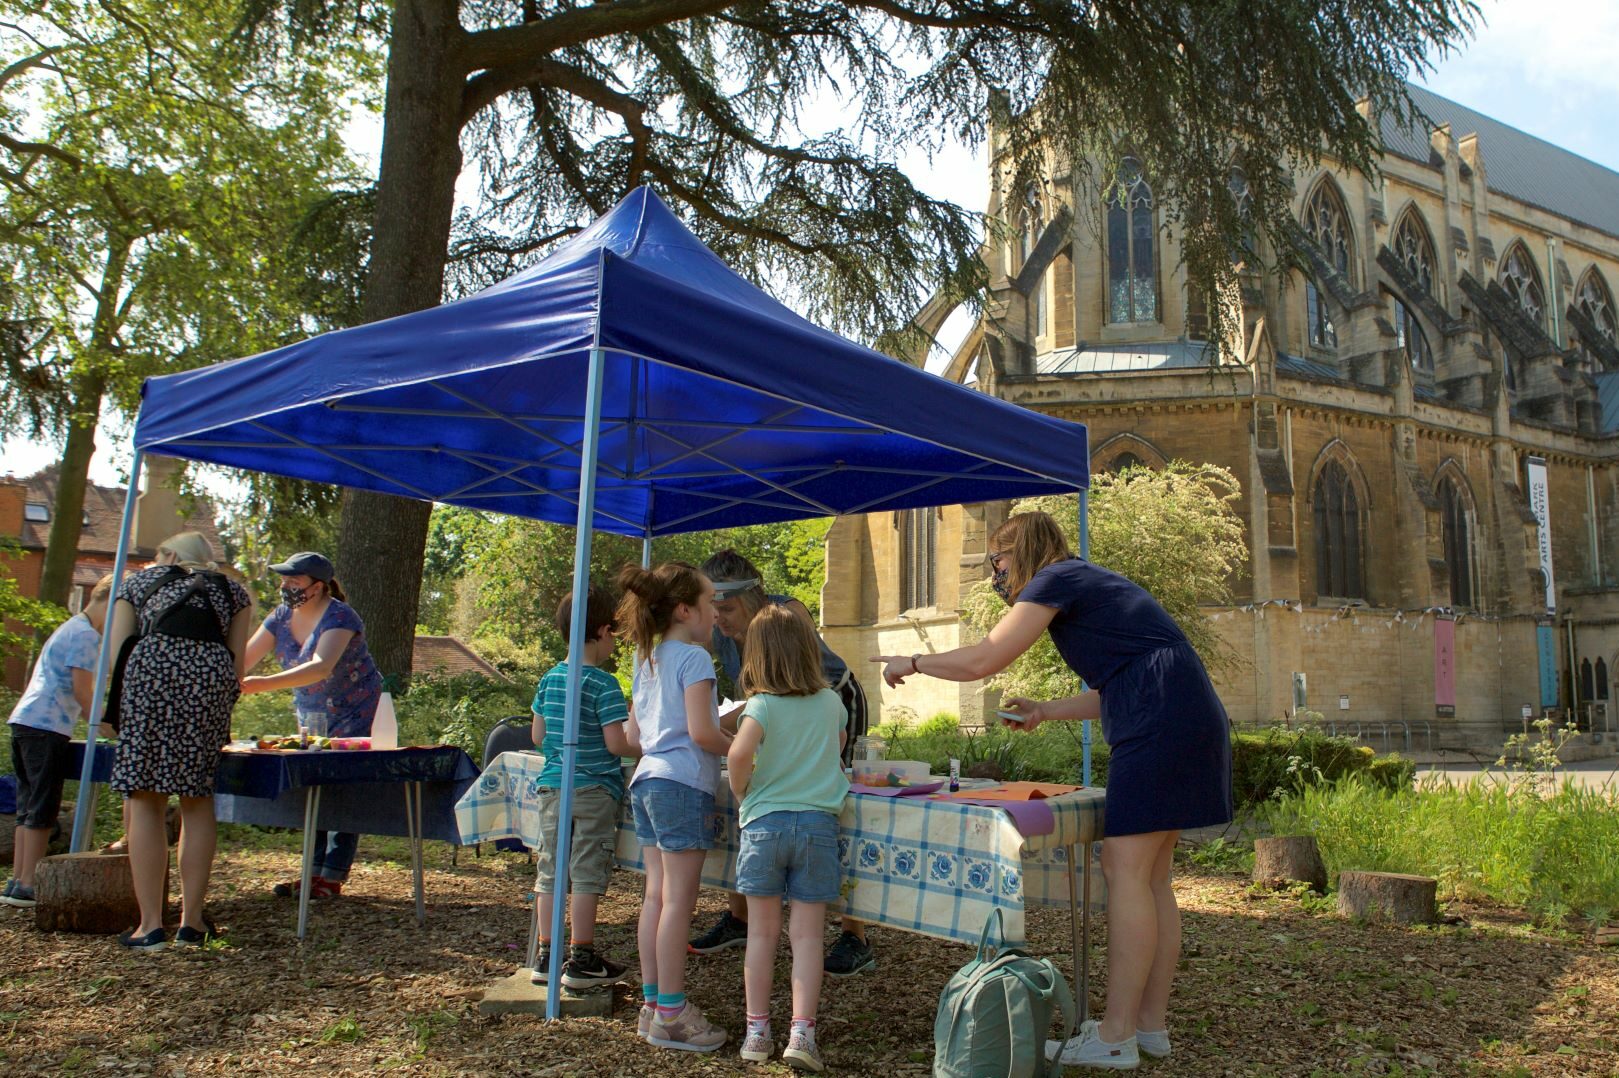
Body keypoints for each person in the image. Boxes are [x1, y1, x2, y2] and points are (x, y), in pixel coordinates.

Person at [873, 510, 1233, 1071]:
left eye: (998, 562)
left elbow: (985, 658)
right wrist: (1045, 710)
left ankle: (1114, 1036)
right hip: (1184, 711)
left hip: (1158, 723)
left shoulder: (1055, 578)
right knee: (1151, 878)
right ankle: (1147, 1025)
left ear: (1020, 552)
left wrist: (914, 661)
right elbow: (1124, 683)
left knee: (1126, 871)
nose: (997, 576)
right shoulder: (1087, 583)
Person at [690, 549, 876, 978]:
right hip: (771, 711)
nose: (719, 619)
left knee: (840, 805)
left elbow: (793, 689)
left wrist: (716, 726)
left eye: (726, 609)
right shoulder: (721, 631)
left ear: (750, 597)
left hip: (832, 703)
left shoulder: (786, 613)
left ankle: (855, 934)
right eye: (713, 609)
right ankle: (739, 917)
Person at [105, 532, 254, 950]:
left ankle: (150, 925)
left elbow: (118, 652)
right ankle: (192, 923)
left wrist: (120, 709)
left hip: (150, 674)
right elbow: (237, 665)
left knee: (145, 799)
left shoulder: (137, 582)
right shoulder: (234, 592)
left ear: (168, 555)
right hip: (209, 678)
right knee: (197, 798)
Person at [729, 604, 849, 1073]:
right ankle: (802, 1033)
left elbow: (738, 755)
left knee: (761, 933)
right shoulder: (831, 702)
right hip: (817, 826)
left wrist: (742, 790)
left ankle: (757, 1032)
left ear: (757, 655)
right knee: (809, 937)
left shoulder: (760, 705)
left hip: (764, 825)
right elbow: (838, 745)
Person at [619, 561, 731, 1052]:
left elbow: (633, 737)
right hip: (682, 784)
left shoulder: (646, 658)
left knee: (656, 897)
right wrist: (745, 748)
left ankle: (652, 1005)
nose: (717, 613)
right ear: (685, 609)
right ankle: (671, 1013)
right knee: (679, 903)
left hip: (646, 782)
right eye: (710, 602)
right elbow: (704, 734)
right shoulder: (694, 659)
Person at [239, 551, 383, 899]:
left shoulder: (340, 616)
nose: (285, 586)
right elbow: (243, 659)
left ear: (317, 587)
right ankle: (311, 873)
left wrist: (261, 684)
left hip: (355, 712)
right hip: (311, 715)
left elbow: (321, 667)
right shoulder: (279, 617)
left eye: (294, 580)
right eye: (284, 579)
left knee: (340, 788)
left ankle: (331, 875)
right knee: (311, 786)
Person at [528, 584, 640, 991]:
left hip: (553, 788)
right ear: (603, 631)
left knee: (551, 870)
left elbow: (538, 735)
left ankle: (546, 954)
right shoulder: (603, 684)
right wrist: (644, 746)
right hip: (594, 791)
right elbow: (617, 744)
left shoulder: (550, 679)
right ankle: (582, 957)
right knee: (587, 872)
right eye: (615, 635)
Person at [3, 576, 113, 909]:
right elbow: (83, 691)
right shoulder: (86, 635)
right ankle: (29, 883)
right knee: (42, 806)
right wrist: (108, 726)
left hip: (27, 720)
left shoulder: (72, 627)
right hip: (46, 726)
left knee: (28, 805)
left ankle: (18, 879)